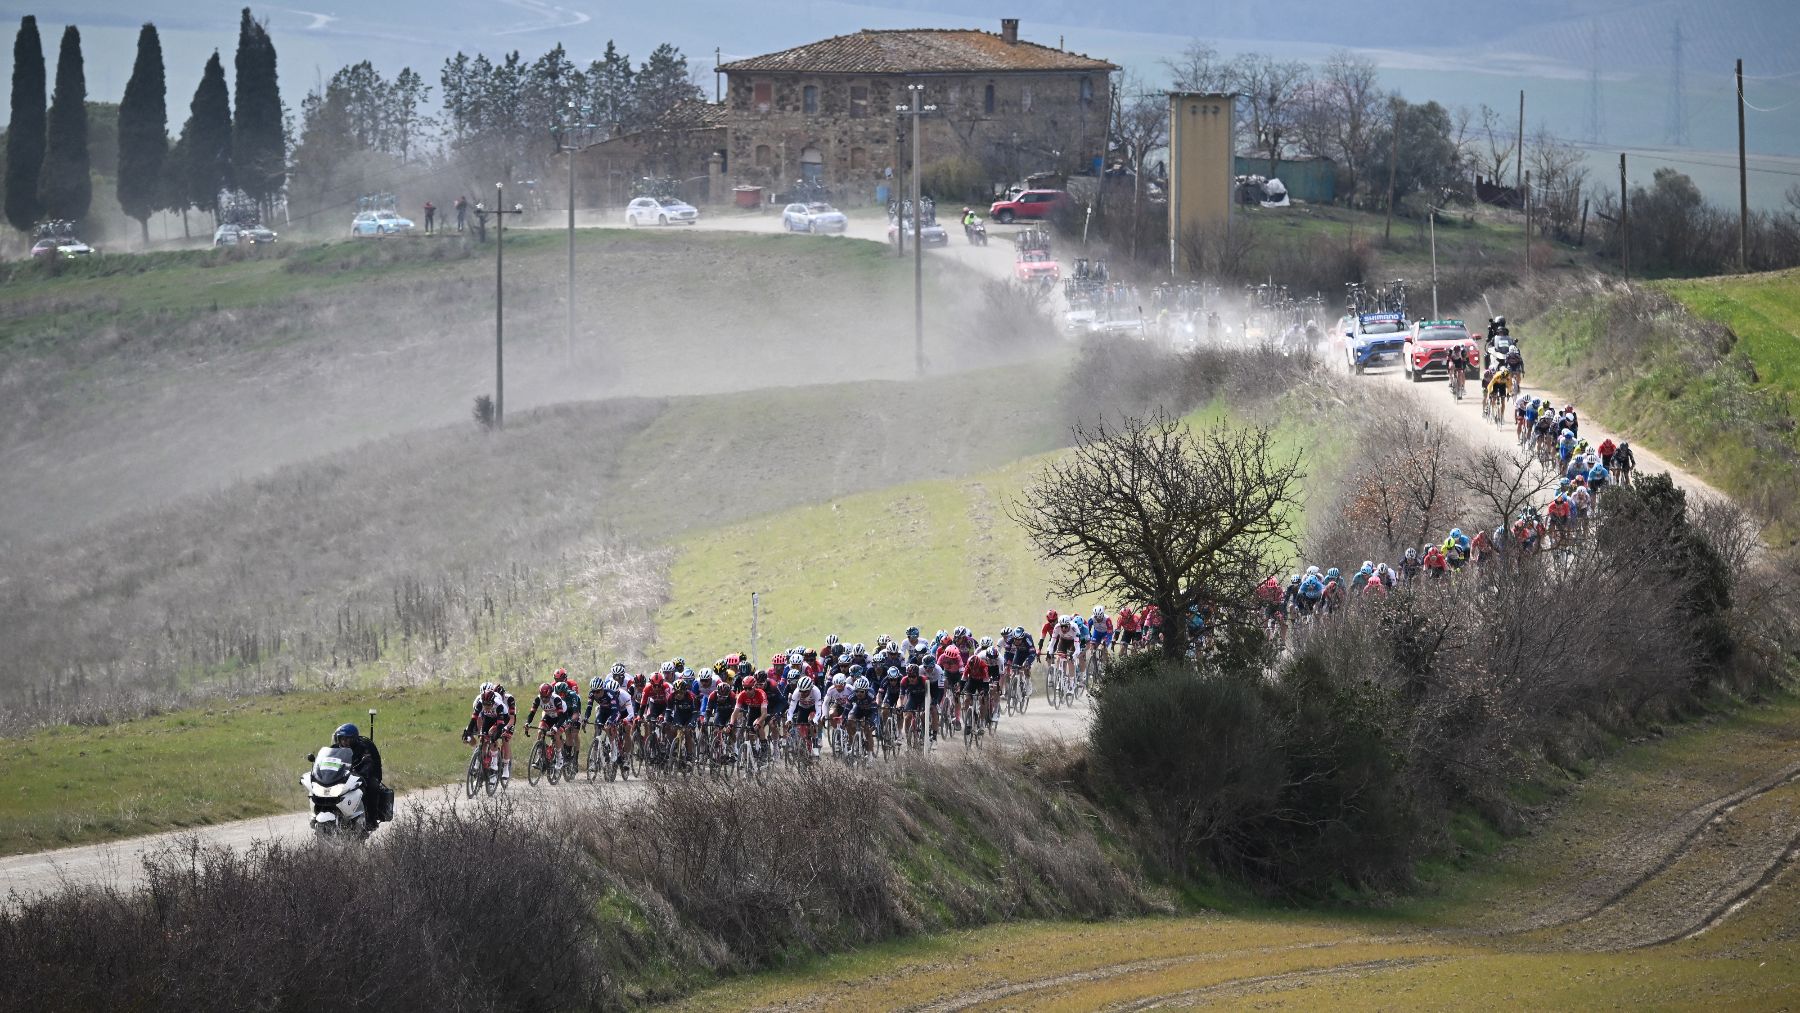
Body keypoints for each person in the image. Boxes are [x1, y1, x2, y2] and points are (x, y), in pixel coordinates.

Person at [331, 722, 384, 829]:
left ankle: (371, 819)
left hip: (360, 776)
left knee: (373, 786)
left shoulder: (363, 748)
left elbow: (368, 763)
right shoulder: (334, 748)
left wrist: (362, 774)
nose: (344, 741)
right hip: (340, 777)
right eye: (342, 738)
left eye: (347, 739)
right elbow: (327, 762)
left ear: (354, 739)